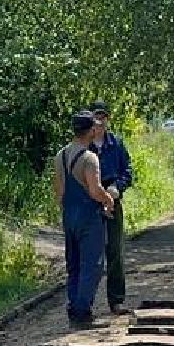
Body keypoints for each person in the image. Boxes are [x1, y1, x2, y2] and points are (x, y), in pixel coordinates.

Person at [53, 111, 115, 327]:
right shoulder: (90, 158)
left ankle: (73, 308)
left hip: (69, 214)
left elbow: (59, 192)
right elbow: (94, 190)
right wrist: (108, 199)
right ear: (90, 131)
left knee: (74, 263)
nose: (97, 130)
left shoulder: (60, 155)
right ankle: (82, 311)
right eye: (95, 127)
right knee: (93, 264)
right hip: (88, 216)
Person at [90, 103, 133, 314]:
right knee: (91, 252)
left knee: (115, 250)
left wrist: (118, 186)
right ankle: (85, 303)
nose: (100, 121)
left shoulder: (116, 143)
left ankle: (116, 300)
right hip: (91, 203)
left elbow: (128, 170)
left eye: (103, 117)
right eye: (97, 117)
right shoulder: (84, 145)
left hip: (113, 200)